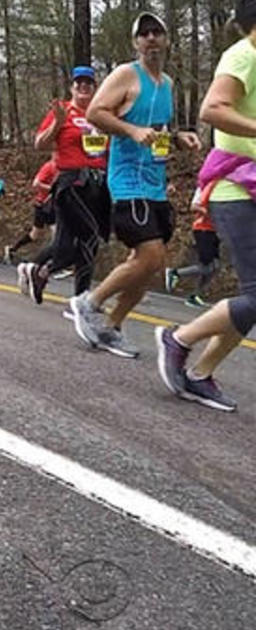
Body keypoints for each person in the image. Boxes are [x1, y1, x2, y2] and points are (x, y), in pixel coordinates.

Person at [70, 12, 202, 358]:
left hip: (155, 182)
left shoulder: (168, 84)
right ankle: (89, 302)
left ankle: (112, 327)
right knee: (150, 254)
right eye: (144, 34)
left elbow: (154, 130)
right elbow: (96, 112)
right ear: (136, 43)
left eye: (157, 32)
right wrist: (130, 131)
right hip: (127, 181)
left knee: (149, 265)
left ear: (167, 39)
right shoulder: (127, 74)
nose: (151, 38)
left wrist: (177, 138)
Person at [156, 0, 256, 411]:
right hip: (236, 188)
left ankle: (200, 374)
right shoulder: (244, 55)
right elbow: (212, 109)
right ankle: (178, 339)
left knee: (253, 298)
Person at [16, 66, 111, 306]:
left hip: (98, 182)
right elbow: (39, 144)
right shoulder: (64, 111)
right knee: (89, 236)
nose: (83, 87)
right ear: (72, 87)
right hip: (72, 181)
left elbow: (111, 148)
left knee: (71, 243)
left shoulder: (102, 113)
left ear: (95, 87)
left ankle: (76, 296)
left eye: (88, 83)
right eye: (79, 83)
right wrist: (57, 123)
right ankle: (68, 291)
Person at [164, 188, 219, 308]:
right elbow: (194, 206)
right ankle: (175, 273)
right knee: (207, 266)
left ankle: (195, 296)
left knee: (215, 266)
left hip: (214, 230)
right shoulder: (205, 186)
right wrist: (208, 211)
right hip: (203, 228)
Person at [7, 159, 58, 264]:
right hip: (43, 204)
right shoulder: (49, 166)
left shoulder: (65, 168)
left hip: (53, 206)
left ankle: (54, 260)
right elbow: (36, 183)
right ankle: (13, 249)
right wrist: (51, 189)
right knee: (35, 234)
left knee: (56, 233)